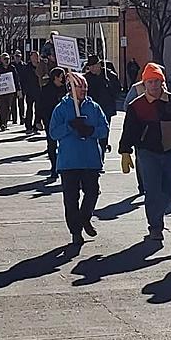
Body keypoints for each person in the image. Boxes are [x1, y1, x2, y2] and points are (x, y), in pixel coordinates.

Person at [118, 63, 171, 242]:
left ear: (162, 82)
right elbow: (129, 130)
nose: (154, 85)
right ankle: (155, 226)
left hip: (170, 151)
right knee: (152, 190)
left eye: (157, 81)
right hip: (147, 152)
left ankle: (157, 213)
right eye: (150, 81)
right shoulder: (137, 105)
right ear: (144, 84)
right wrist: (125, 151)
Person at [49, 72, 110, 246]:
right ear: (70, 89)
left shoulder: (94, 107)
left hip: (90, 160)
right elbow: (53, 133)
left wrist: (90, 131)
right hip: (69, 162)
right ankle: (75, 231)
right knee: (70, 198)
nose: (83, 90)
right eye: (79, 87)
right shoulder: (61, 108)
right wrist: (70, 126)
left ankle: (85, 217)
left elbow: (104, 129)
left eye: (84, 87)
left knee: (92, 192)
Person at [84, 55, 120, 158]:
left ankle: (101, 154)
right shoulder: (87, 78)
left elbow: (117, 90)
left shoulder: (109, 76)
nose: (91, 68)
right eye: (89, 66)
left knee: (103, 131)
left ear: (99, 65)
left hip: (106, 108)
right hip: (91, 109)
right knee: (92, 131)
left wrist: (109, 87)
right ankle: (94, 154)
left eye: (93, 66)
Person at [38, 67, 69, 178]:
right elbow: (40, 105)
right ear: (55, 77)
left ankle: (63, 165)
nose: (63, 79)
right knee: (52, 144)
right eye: (62, 77)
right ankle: (54, 166)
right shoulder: (46, 89)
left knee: (65, 144)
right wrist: (38, 120)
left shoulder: (66, 90)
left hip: (64, 121)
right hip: (50, 120)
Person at [0, 53, 19, 131]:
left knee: (8, 108)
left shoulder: (12, 68)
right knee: (2, 107)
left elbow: (16, 79)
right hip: (0, 92)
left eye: (8, 59)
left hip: (10, 92)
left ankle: (5, 122)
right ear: (1, 60)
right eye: (5, 59)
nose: (7, 60)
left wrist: (19, 90)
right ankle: (2, 123)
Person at [17, 51, 42, 134]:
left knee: (38, 109)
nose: (35, 58)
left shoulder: (41, 66)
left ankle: (36, 126)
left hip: (39, 91)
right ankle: (28, 126)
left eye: (37, 56)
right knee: (29, 109)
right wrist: (23, 90)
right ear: (31, 58)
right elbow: (23, 79)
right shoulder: (27, 67)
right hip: (30, 91)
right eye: (34, 56)